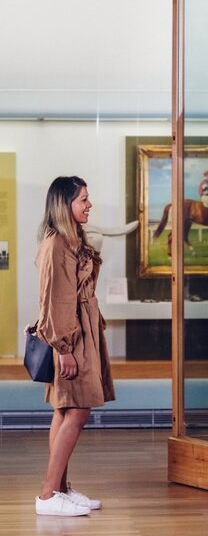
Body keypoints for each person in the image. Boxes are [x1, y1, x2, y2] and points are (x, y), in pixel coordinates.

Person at [34, 176, 114, 517]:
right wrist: (64, 347)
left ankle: (60, 490)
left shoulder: (71, 240)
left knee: (66, 410)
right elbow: (55, 298)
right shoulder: (56, 244)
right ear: (65, 204)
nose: (89, 204)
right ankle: (48, 495)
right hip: (72, 336)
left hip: (82, 331)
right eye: (83, 199)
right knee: (77, 410)